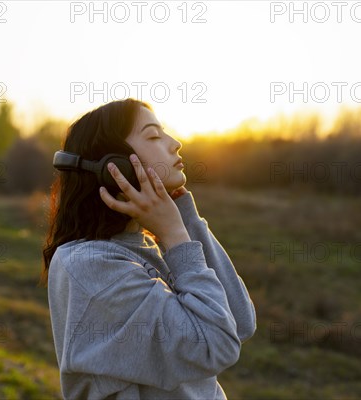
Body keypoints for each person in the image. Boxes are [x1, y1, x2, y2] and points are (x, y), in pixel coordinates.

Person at [41, 98, 256, 399]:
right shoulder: (89, 265)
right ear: (115, 167)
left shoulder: (142, 245)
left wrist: (183, 215)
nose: (176, 143)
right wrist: (174, 234)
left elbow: (239, 320)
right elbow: (216, 343)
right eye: (154, 136)